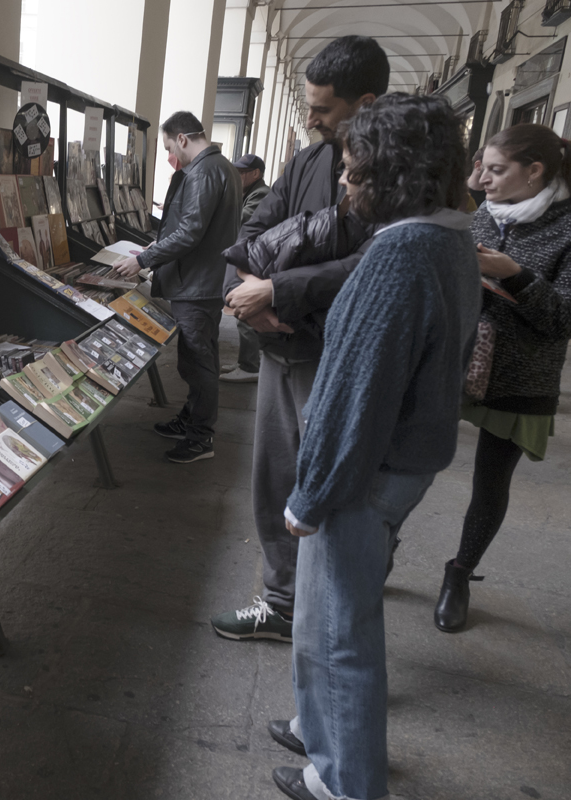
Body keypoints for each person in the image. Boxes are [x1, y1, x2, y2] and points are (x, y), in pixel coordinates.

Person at [269, 93, 480, 800]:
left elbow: (355, 393)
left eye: (356, 172)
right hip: (406, 459)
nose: (343, 183)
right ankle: (320, 732)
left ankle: (344, 782)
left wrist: (311, 493)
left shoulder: (401, 254)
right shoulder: (451, 239)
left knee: (340, 636)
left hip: (367, 473)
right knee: (328, 619)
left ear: (396, 177)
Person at [210, 35, 390, 642]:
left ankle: (337, 595)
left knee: (332, 488)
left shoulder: (393, 169)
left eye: (324, 109)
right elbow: (257, 226)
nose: (310, 120)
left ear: (365, 102)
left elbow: (376, 261)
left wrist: (277, 293)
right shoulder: (310, 159)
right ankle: (283, 600)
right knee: (273, 477)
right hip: (280, 347)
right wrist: (253, 298)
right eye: (308, 106)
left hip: (336, 355)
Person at [433, 124, 571, 633]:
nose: (480, 179)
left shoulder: (567, 228)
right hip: (455, 360)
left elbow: (564, 320)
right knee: (414, 457)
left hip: (519, 374)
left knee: (490, 482)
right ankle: (383, 545)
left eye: (494, 170)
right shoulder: (480, 213)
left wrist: (515, 274)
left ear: (534, 171)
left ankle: (460, 574)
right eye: (479, 167)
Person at [114, 111, 242, 464]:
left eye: (171, 147)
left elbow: (189, 231)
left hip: (197, 284)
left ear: (183, 138)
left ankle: (201, 437)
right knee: (200, 357)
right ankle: (191, 419)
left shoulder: (203, 172)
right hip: (206, 280)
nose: (173, 156)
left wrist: (143, 260)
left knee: (198, 362)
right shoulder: (224, 167)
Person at [221, 153, 270, 384]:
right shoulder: (251, 192)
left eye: (241, 172)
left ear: (255, 174)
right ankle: (247, 361)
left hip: (255, 261)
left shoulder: (261, 193)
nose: (237, 176)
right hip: (252, 258)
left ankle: (250, 366)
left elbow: (241, 220)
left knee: (246, 313)